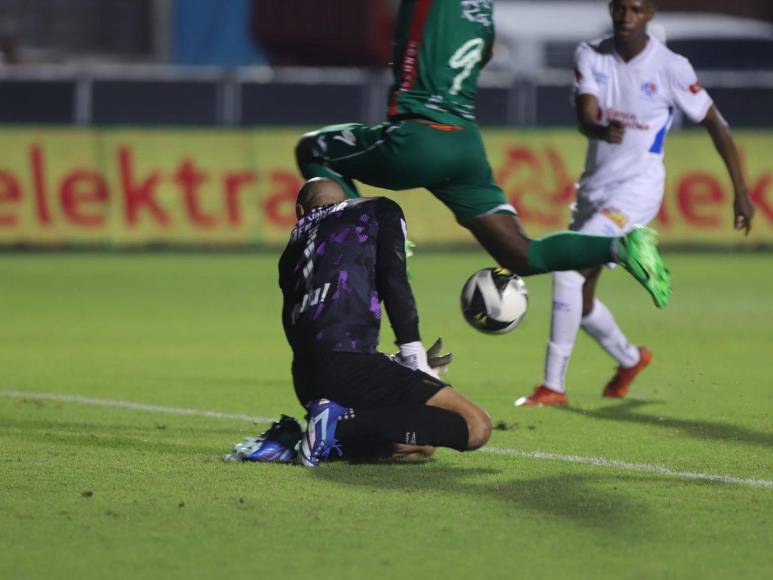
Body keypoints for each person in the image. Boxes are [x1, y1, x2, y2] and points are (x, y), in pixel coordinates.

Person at [295, 0, 671, 309]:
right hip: (463, 144)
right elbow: (484, 51)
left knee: (311, 149)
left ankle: (376, 243)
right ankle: (623, 245)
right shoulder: (484, 12)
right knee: (522, 255)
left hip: (418, 135)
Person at [515, 0, 755, 407]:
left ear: (650, 16)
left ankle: (552, 387)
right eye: (621, 8)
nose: (627, 16)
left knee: (568, 272)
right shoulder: (590, 54)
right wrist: (598, 127)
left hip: (637, 192)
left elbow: (717, 124)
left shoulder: (671, 66)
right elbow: (585, 116)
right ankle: (631, 359)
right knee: (584, 299)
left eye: (636, 9)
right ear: (612, 10)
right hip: (593, 190)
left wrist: (741, 191)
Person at [226, 177, 491, 466]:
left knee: (420, 445)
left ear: (300, 211)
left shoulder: (291, 252)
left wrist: (391, 365)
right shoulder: (376, 210)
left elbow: (315, 328)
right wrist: (414, 358)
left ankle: (295, 443)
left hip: (307, 377)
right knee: (475, 427)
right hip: (350, 367)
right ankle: (333, 425)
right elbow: (394, 279)